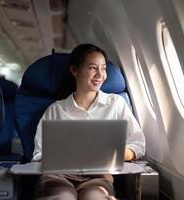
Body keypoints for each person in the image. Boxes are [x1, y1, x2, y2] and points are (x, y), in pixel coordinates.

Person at [32, 44, 145, 200]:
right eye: (93, 68)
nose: (100, 75)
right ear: (74, 70)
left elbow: (138, 144)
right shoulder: (56, 109)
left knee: (95, 198)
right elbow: (39, 154)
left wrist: (114, 154)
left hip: (98, 176)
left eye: (103, 68)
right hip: (58, 176)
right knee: (63, 198)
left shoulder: (116, 104)